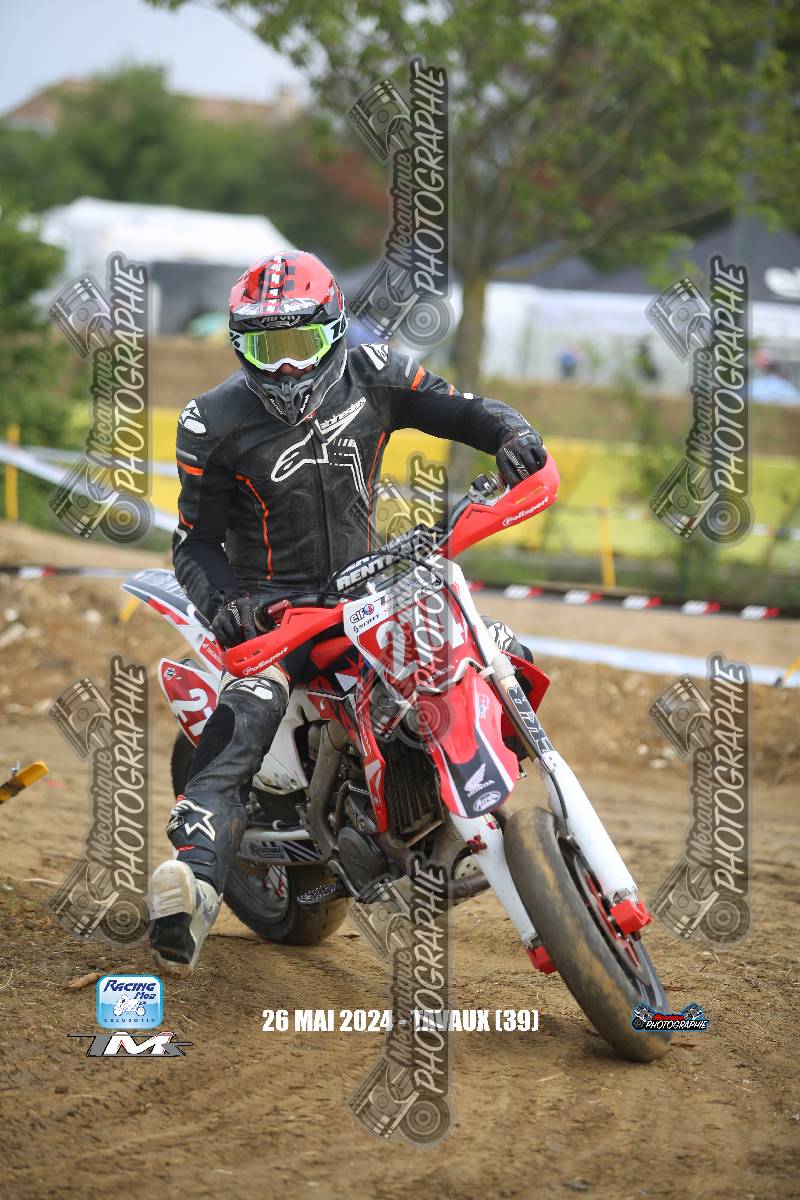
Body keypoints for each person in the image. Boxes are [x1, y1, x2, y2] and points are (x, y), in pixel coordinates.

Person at [148, 250, 548, 977]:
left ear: (335, 328)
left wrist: (513, 433)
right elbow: (195, 543)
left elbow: (463, 410)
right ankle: (193, 883)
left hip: (374, 588)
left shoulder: (376, 372)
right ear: (239, 346)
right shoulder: (211, 420)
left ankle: (447, 794)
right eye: (267, 349)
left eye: (301, 344)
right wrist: (227, 606)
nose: (287, 367)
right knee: (246, 716)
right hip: (277, 614)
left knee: (487, 649)